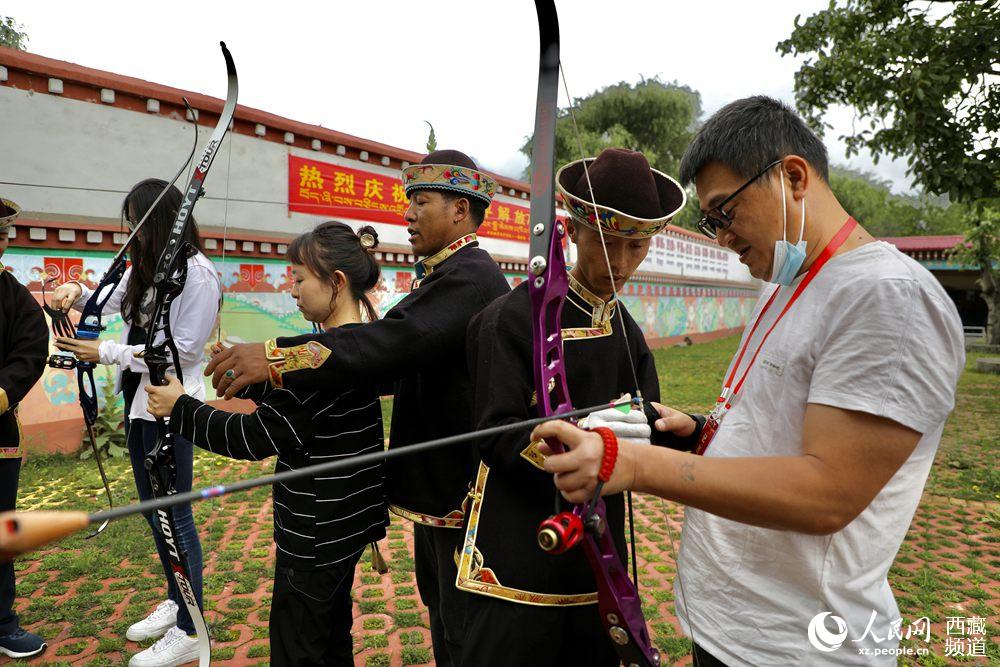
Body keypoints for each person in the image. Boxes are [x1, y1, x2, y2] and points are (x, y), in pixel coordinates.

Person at [532, 96, 965, 666]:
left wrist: (631, 464)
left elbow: (827, 494)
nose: (720, 238)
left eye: (725, 213)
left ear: (792, 177)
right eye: (710, 223)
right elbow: (783, 426)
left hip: (798, 646)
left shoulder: (888, 297)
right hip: (737, 629)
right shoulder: (786, 283)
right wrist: (699, 431)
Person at [203, 150, 511, 665]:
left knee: (462, 633)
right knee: (443, 619)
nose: (408, 214)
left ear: (460, 209)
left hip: (465, 498)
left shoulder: (470, 278)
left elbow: (388, 343)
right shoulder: (445, 277)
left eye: (422, 201)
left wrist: (276, 356)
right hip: (443, 496)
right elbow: (386, 360)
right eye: (408, 201)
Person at [458, 148, 689, 666]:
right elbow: (496, 436)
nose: (624, 264)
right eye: (610, 244)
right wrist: (581, 444)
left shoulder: (626, 329)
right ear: (573, 231)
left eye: (637, 246)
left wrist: (651, 428)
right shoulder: (512, 319)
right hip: (518, 551)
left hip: (599, 552)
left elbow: (644, 418)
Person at [146, 221, 388, 666]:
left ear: (336, 282)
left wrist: (180, 408)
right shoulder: (356, 345)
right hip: (347, 526)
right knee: (331, 635)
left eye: (299, 279)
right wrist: (253, 380)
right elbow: (302, 419)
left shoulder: (315, 359)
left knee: (298, 648)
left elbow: (254, 438)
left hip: (315, 536)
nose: (292, 291)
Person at [50, 179, 221, 667]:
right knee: (154, 510)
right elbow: (103, 301)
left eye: (141, 225)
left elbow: (181, 352)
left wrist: (104, 351)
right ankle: (177, 597)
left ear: (164, 222)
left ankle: (191, 630)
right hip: (139, 402)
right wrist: (76, 291)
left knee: (175, 513)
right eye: (131, 226)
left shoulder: (198, 275)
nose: (134, 234)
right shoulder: (146, 268)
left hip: (172, 406)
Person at [0, 198, 49, 660]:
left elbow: (31, 350)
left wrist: (2, 391)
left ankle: (3, 622)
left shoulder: (14, 296)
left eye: (3, 234)